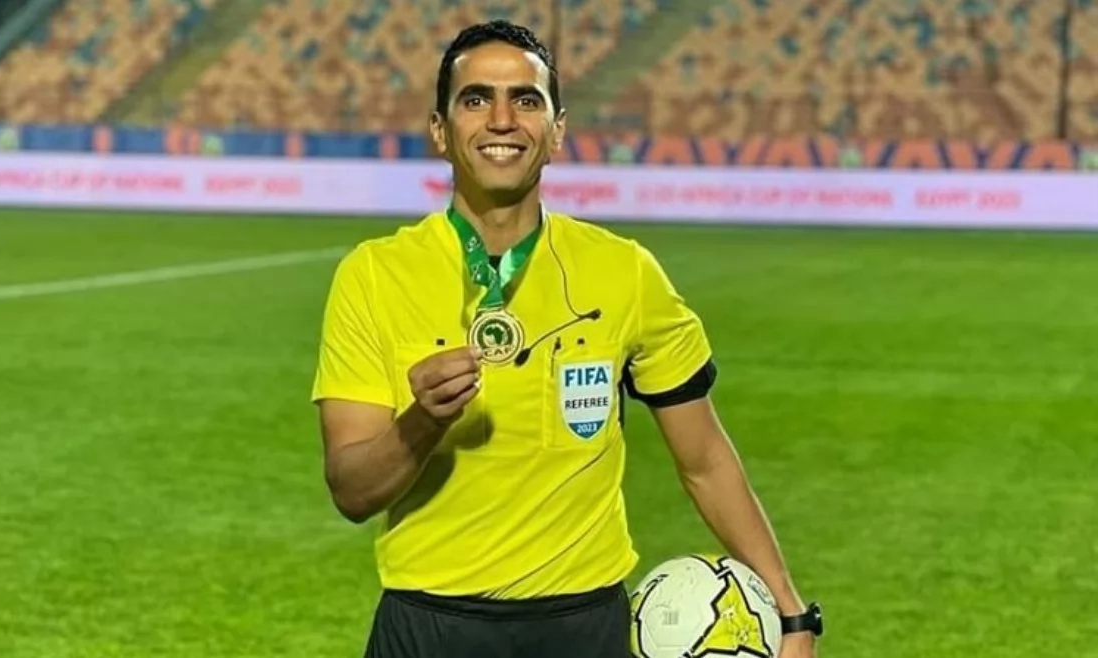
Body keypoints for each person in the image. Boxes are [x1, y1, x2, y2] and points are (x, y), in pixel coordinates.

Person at [311, 19, 822, 658]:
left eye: (526, 100)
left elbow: (705, 460)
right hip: (429, 625)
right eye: (477, 99)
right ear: (440, 131)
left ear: (556, 131)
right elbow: (352, 491)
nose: (502, 120)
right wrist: (422, 422)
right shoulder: (372, 275)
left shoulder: (624, 272)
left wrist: (790, 612)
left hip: (587, 626)